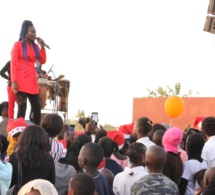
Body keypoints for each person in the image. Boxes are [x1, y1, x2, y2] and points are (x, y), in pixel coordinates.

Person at [11, 20, 46, 125]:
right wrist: (14, 81)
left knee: (37, 106)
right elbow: (13, 64)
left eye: (35, 32)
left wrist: (42, 46)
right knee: (22, 105)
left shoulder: (36, 47)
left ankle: (36, 130)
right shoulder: (18, 45)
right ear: (25, 32)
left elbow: (43, 60)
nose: (34, 34)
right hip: (20, 79)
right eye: (32, 32)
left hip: (31, 80)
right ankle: (18, 132)